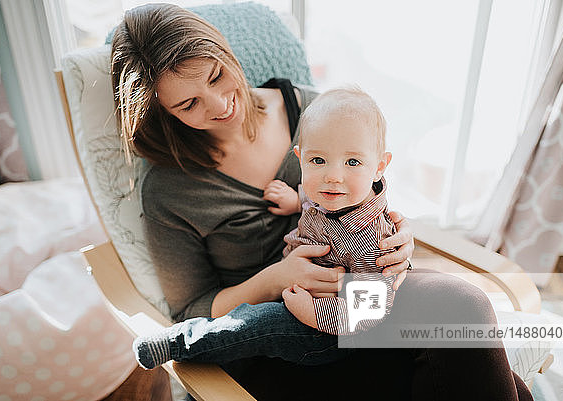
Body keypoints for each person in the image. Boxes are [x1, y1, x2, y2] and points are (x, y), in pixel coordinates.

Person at [111, 3, 533, 400]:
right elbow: (192, 309)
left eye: (217, 76)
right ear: (163, 113)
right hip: (281, 334)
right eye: (188, 104)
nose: (220, 105)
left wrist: (398, 239)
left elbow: (366, 186)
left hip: (360, 291)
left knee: (462, 313)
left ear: (225, 52)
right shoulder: (170, 190)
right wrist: (276, 278)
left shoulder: (316, 110)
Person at [132, 87, 398, 368]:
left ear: (380, 166)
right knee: (258, 317)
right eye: (317, 161)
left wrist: (314, 312)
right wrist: (296, 201)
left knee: (260, 324)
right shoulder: (330, 197)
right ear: (300, 157)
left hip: (328, 332)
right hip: (293, 298)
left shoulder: (373, 242)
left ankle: (181, 343)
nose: (332, 176)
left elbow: (369, 311)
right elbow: (320, 205)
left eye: (353, 162)